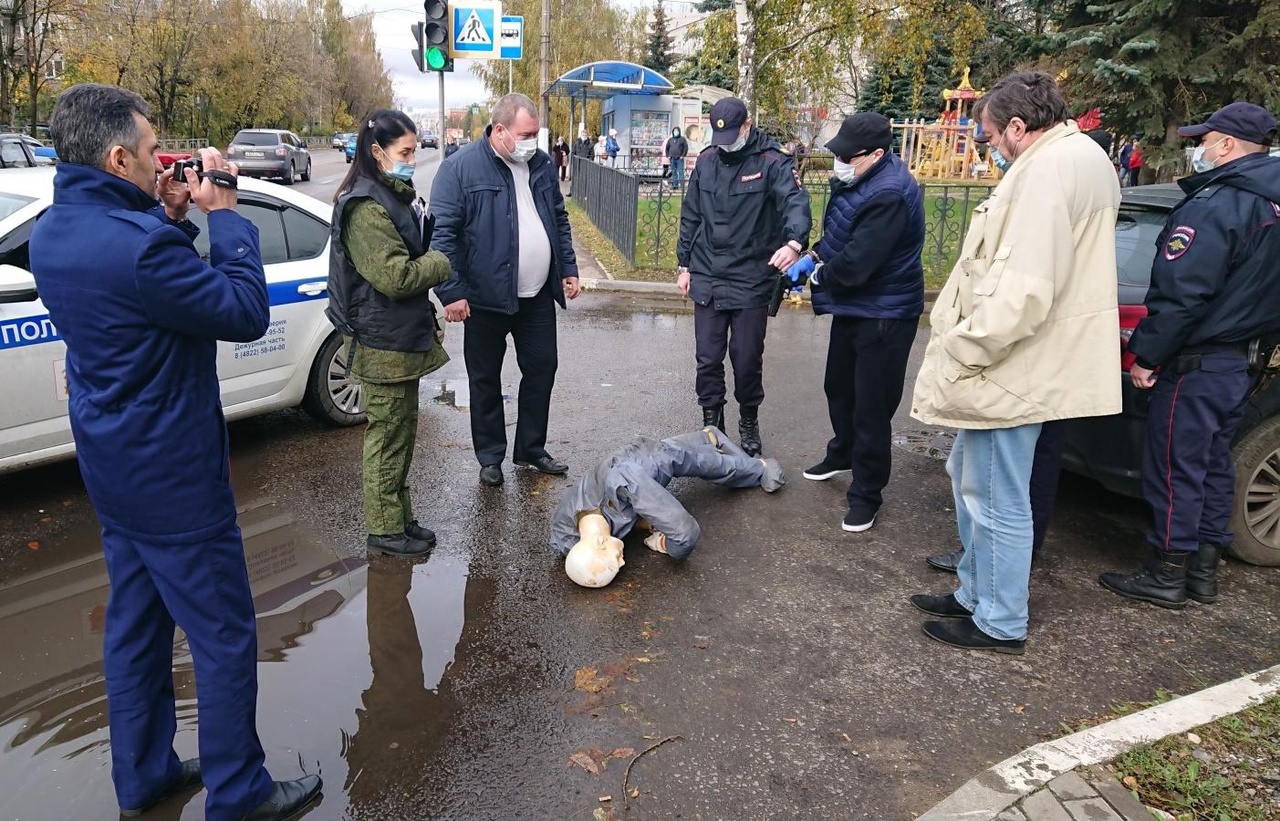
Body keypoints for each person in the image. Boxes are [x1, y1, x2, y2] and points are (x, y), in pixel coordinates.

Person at [28, 83, 320, 821]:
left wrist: (164, 214)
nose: (166, 159)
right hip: (173, 474)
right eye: (154, 149)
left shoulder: (53, 230)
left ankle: (146, 772)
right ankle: (240, 791)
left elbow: (139, 296)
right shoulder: (140, 248)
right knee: (223, 631)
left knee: (137, 624)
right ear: (119, 156)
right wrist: (224, 217)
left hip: (112, 463)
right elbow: (244, 311)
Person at [908, 71, 1122, 654]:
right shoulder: (1077, 158)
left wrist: (965, 346)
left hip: (1013, 363)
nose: (988, 147)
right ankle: (974, 592)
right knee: (970, 479)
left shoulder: (1049, 171)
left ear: (1019, 128)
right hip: (1023, 361)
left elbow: (1023, 287)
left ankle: (999, 619)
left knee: (998, 495)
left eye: (989, 136)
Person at [1099, 102, 1280, 608]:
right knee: (1214, 464)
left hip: (1198, 361)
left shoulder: (1217, 204)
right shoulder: (1270, 203)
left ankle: (1167, 572)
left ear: (1226, 145)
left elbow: (1183, 294)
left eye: (1205, 140)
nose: (1198, 149)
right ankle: (1203, 571)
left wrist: (1148, 355)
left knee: (1176, 467)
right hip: (1244, 361)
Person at [430, 93, 580, 487]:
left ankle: (530, 448)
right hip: (483, 300)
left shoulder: (541, 165)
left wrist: (568, 268)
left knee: (542, 369)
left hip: (535, 298)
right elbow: (442, 236)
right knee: (484, 379)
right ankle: (490, 457)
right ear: (500, 131)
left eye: (535, 134)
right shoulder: (460, 168)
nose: (532, 142)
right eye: (525, 134)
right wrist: (451, 291)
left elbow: (558, 220)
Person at [785, 112, 924, 533]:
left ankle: (866, 494)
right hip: (856, 309)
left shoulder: (890, 194)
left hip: (885, 313)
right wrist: (814, 253)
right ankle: (842, 452)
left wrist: (816, 274)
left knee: (871, 407)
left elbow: (857, 264)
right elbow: (840, 232)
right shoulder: (858, 180)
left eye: (848, 155)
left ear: (877, 154)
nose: (840, 160)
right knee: (839, 387)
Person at [327, 110, 453, 557]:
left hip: (397, 339)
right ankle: (383, 530)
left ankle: (400, 517)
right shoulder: (364, 206)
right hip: (380, 343)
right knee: (386, 438)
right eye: (405, 151)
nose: (412, 159)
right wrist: (440, 260)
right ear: (377, 152)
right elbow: (395, 276)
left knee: (402, 433)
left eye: (414, 150)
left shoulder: (389, 195)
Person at [676, 96, 812, 457]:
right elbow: (691, 215)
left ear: (747, 126)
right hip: (707, 272)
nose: (726, 144)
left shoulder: (772, 161)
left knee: (746, 358)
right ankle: (712, 425)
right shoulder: (706, 161)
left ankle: (748, 421)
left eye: (733, 135)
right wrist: (684, 265)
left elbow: (795, 204)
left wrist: (795, 243)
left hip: (751, 276)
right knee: (707, 358)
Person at [551, 427, 786, 578]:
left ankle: (760, 467)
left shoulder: (628, 482)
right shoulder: (566, 539)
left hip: (639, 464)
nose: (622, 563)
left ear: (601, 541)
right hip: (620, 476)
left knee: (686, 460)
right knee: (675, 451)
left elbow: (686, 534)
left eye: (616, 560)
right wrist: (641, 525)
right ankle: (707, 437)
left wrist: (664, 544)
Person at [666, 126, 689, 191]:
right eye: (675, 131)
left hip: (679, 158)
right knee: (674, 172)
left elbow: (685, 147)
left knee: (680, 171)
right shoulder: (670, 140)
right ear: (673, 132)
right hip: (672, 158)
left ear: (679, 131)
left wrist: (683, 155)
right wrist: (668, 155)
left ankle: (682, 186)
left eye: (677, 131)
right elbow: (667, 148)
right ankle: (675, 185)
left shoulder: (682, 139)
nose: (676, 132)